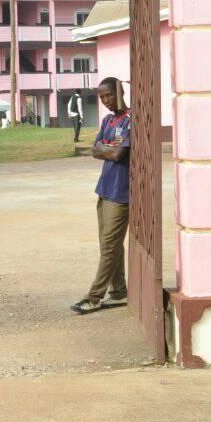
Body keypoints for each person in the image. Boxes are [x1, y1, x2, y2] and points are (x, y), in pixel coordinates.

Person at [72, 77, 131, 314]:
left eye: (109, 95)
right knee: (109, 245)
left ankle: (94, 297)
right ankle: (118, 292)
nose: (106, 100)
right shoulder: (108, 120)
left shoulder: (130, 120)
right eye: (102, 97)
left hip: (121, 192)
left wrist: (107, 150)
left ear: (121, 92)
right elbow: (95, 149)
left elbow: (118, 154)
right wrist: (109, 150)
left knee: (109, 245)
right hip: (105, 189)